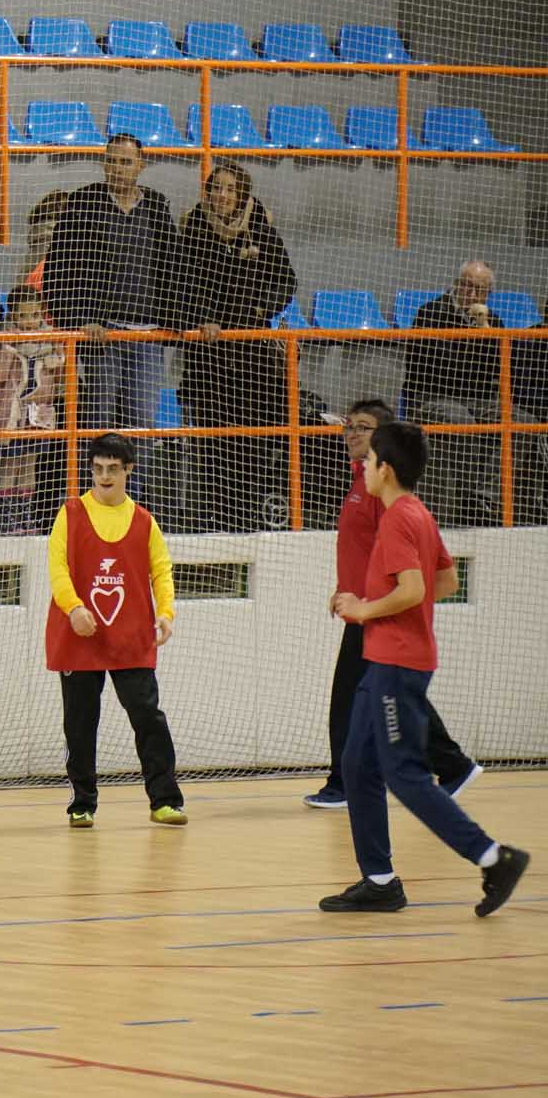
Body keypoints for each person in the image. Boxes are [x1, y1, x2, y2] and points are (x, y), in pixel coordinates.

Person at [320, 421, 529, 915]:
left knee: (405, 774)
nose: (363, 469)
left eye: (368, 462)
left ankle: (492, 857)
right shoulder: (417, 512)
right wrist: (395, 610)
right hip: (385, 660)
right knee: (356, 764)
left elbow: (415, 588)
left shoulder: (396, 519)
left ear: (385, 469)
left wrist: (365, 608)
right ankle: (380, 880)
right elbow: (447, 581)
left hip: (397, 665)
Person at [305, 399, 479, 809]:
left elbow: (428, 578)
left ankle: (347, 785)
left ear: (384, 441)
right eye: (348, 425)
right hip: (367, 611)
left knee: (353, 699)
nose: (351, 433)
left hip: (373, 616)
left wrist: (380, 606)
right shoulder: (364, 485)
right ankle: (449, 765)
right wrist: (346, 589)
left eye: (362, 427)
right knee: (389, 699)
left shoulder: (393, 503)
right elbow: (370, 554)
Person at [44, 431, 187, 829]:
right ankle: (82, 803)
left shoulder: (144, 520)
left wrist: (167, 613)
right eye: (98, 468)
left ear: (128, 471)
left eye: (113, 469)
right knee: (80, 722)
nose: (104, 476)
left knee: (148, 717)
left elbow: (161, 570)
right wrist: (72, 608)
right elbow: (58, 569)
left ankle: (165, 800)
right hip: (80, 635)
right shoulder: (70, 513)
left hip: (129, 636)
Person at [176, 164, 298, 530]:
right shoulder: (192, 230)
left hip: (252, 355)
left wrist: (262, 307)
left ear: (242, 194)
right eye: (216, 188)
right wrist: (203, 316)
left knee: (250, 443)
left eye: (230, 189)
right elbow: (181, 282)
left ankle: (247, 523)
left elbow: (286, 280)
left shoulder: (261, 229)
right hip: (209, 355)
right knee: (213, 444)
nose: (222, 195)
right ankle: (217, 521)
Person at [42, 134, 184, 434]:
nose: (117, 168)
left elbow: (175, 268)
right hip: (101, 335)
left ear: (141, 166)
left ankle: (137, 484)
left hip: (148, 335)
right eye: (111, 161)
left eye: (125, 162)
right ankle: (93, 484)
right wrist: (81, 321)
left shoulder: (157, 206)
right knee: (98, 423)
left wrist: (174, 320)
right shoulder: (83, 203)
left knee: (141, 424)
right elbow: (59, 268)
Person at [403, 261, 541, 525]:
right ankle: (459, 500)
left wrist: (485, 333)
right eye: (467, 285)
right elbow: (430, 369)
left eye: (480, 289)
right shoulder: (431, 314)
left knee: (524, 423)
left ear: (488, 294)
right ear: (457, 284)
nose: (472, 294)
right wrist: (469, 342)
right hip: (433, 395)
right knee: (460, 420)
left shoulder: (492, 322)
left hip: (478, 398)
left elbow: (499, 371)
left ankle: (484, 499)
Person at [0, 286, 62, 534]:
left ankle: (26, 517)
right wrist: (9, 347)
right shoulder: (4, 340)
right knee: (10, 464)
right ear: (13, 316)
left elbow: (60, 378)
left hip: (38, 413)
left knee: (29, 464)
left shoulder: (51, 343)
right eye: (23, 316)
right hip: (10, 415)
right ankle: (8, 520)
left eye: (35, 316)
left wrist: (56, 359)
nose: (30, 322)